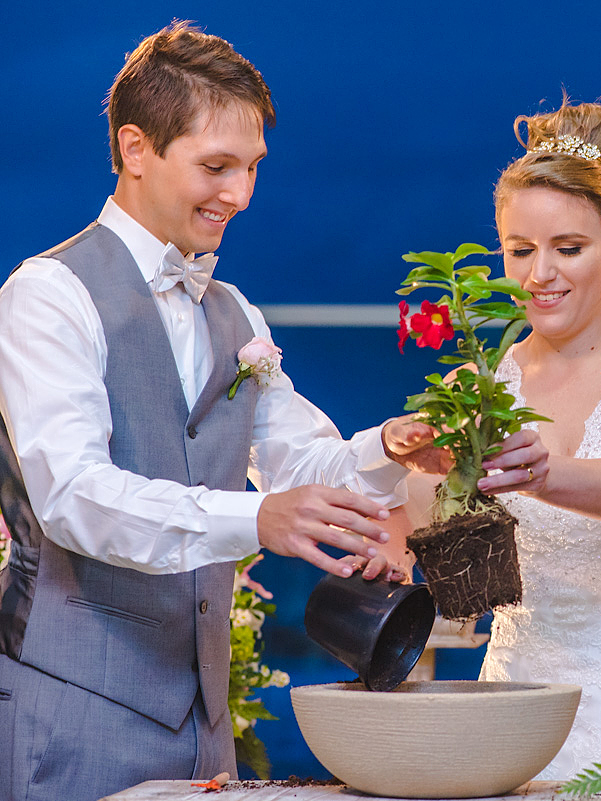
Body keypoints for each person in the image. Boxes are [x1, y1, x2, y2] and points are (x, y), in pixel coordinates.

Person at [0, 23, 446, 801]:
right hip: (70, 716)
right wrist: (256, 519)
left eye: (252, 168)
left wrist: (390, 449)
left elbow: (299, 466)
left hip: (207, 734)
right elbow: (72, 497)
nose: (239, 195)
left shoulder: (235, 312)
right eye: (216, 166)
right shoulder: (47, 294)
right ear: (135, 148)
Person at [398, 99, 601, 779]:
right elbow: (435, 540)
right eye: (521, 250)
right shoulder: (476, 383)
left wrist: (546, 474)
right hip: (515, 707)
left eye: (567, 249)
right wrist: (421, 475)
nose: (540, 273)